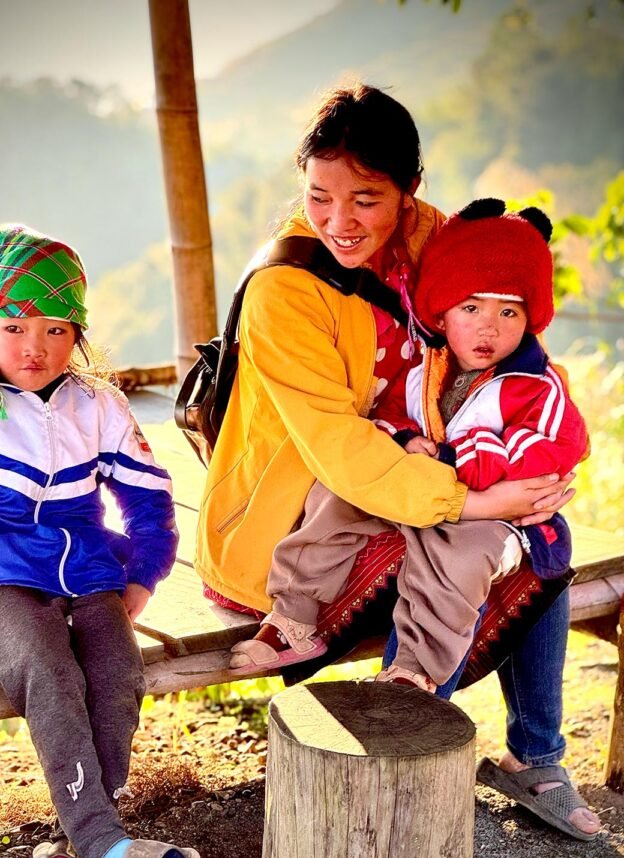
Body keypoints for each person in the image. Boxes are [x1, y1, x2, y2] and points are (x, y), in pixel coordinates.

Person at [195, 84, 600, 845]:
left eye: (367, 200)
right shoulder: (285, 288)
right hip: (301, 516)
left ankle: (534, 757)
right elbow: (341, 451)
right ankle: (409, 802)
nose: (340, 222)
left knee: (544, 532)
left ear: (409, 190)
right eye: (319, 197)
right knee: (460, 543)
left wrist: (525, 461)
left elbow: (504, 341)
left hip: (410, 467)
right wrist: (477, 501)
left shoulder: (432, 235)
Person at [0, 226, 200, 858]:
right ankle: (113, 855)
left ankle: (85, 852)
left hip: (89, 573)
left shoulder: (98, 404)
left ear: (79, 333)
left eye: (58, 328)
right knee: (53, 673)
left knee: (118, 673)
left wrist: (142, 577)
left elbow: (150, 499)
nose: (37, 346)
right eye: (14, 326)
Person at [231, 199, 587, 709]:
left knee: (458, 558)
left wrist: (459, 458)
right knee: (336, 492)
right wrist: (402, 440)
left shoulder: (535, 384)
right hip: (422, 491)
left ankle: (414, 670)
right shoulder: (427, 369)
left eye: (508, 311)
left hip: (500, 514)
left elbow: (553, 446)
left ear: (531, 318)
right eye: (471, 309)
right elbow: (393, 412)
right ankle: (295, 615)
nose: (488, 328)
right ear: (442, 312)